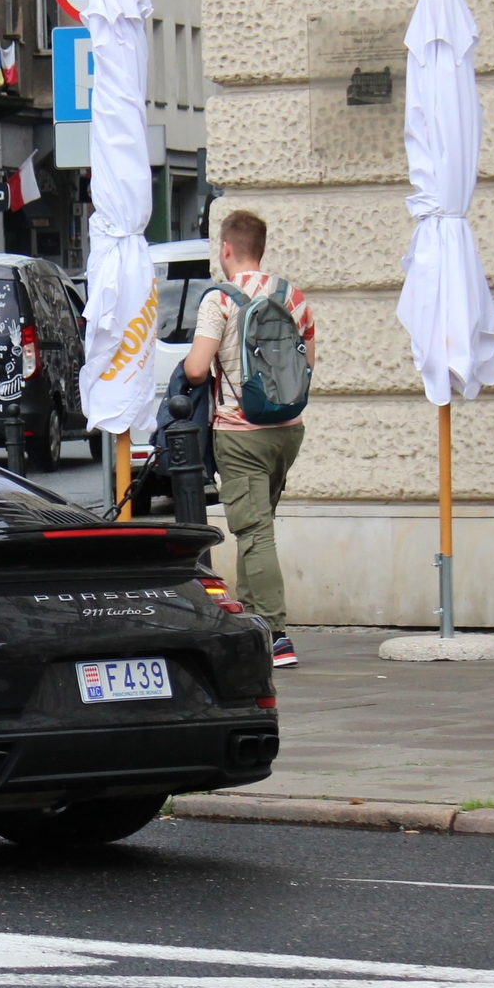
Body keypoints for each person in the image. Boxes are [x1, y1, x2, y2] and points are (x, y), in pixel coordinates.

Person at [182, 209, 318, 669]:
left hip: (240, 433)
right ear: (260, 247)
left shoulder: (218, 300)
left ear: (226, 248)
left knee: (254, 531)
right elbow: (308, 366)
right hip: (286, 430)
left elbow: (198, 368)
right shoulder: (293, 297)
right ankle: (248, 618)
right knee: (255, 528)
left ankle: (275, 634)